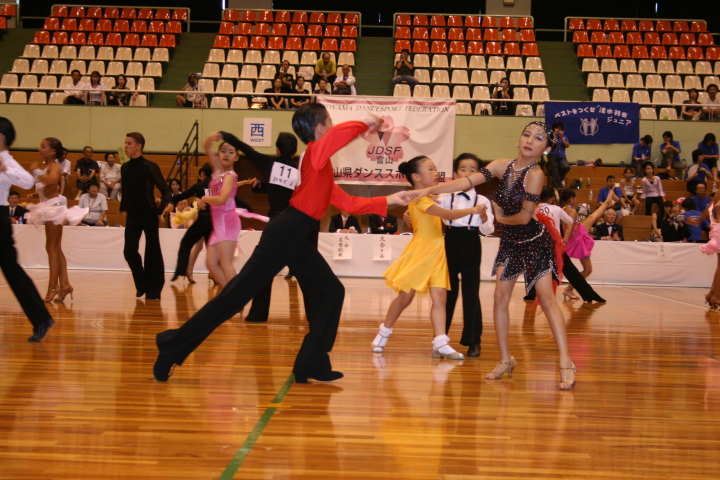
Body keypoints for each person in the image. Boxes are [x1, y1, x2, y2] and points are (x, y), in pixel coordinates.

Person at [153, 103, 412, 383]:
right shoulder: (314, 153)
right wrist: (365, 122)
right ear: (320, 129)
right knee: (235, 296)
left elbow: (348, 202)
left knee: (331, 292)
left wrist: (390, 199)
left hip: (297, 233)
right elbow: (338, 137)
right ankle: (171, 346)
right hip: (287, 230)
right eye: (329, 121)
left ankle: (311, 363)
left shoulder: (320, 167)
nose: (333, 126)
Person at [412, 121, 577, 390]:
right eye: (526, 134)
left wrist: (498, 217)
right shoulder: (502, 165)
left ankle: (566, 363)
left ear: (546, 148)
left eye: (538, 138)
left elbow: (524, 218)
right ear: (519, 139)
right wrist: (430, 189)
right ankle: (505, 360)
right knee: (500, 298)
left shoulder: (536, 174)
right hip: (510, 243)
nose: (530, 140)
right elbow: (466, 181)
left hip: (534, 242)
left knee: (547, 300)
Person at [371, 156, 487, 360]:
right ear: (416, 177)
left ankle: (441, 342)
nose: (436, 173)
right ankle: (383, 332)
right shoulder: (421, 199)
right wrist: (473, 210)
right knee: (405, 298)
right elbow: (447, 215)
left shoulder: (431, 196)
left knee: (440, 298)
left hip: (437, 251)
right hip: (421, 251)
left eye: (435, 168)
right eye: (431, 169)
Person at [216, 131, 301, 323]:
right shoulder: (299, 172)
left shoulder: (270, 163)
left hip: (277, 222)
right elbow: (286, 191)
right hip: (295, 223)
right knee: (304, 272)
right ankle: (315, 314)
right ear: (294, 151)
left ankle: (258, 314)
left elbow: (246, 148)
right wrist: (262, 186)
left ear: (277, 149)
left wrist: (226, 136)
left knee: (262, 268)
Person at [0, 118, 55, 342]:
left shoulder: (7, 160)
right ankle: (41, 318)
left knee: (13, 271)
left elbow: (26, 181)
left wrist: (5, 169)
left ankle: (41, 318)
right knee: (12, 270)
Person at [437, 153, 494, 357]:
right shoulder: (444, 197)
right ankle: (441, 340)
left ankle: (473, 341)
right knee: (447, 291)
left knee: (471, 292)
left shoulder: (483, 200)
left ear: (479, 175)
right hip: (450, 240)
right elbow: (432, 215)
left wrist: (484, 217)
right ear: (454, 174)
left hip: (471, 241)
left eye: (473, 170)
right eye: (463, 169)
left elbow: (488, 230)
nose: (468, 173)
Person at [24, 137, 87, 303]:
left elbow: (52, 181)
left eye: (43, 146)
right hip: (48, 205)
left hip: (54, 208)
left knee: (51, 247)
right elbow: (48, 188)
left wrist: (36, 170)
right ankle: (65, 284)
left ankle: (53, 286)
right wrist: (35, 194)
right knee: (55, 248)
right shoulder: (45, 166)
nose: (40, 149)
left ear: (52, 151)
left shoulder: (54, 167)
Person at [526, 187, 606, 303]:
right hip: (555, 244)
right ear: (551, 198)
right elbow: (569, 222)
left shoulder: (534, 209)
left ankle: (531, 294)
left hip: (537, 243)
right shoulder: (557, 209)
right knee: (571, 271)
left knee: (534, 268)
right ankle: (589, 295)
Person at [198, 133, 255, 289]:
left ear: (236, 158)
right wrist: (210, 138)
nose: (226, 154)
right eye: (223, 151)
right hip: (218, 225)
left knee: (226, 264)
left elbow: (221, 200)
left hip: (227, 222)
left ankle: (237, 296)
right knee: (211, 263)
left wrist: (204, 198)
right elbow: (207, 148)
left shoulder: (230, 176)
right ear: (219, 154)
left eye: (231, 152)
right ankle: (229, 295)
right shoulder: (217, 170)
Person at [120, 132, 171, 300]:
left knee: (152, 251)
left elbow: (164, 188)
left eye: (129, 143)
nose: (125, 146)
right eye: (125, 143)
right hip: (133, 215)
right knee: (129, 251)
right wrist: (124, 208)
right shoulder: (125, 168)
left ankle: (154, 289)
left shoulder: (150, 166)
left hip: (149, 213)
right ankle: (142, 282)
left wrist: (167, 203)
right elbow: (126, 191)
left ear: (139, 146)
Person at [560, 188, 616, 300]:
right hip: (577, 238)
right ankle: (568, 289)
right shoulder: (571, 211)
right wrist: (565, 241)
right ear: (572, 198)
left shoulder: (563, 209)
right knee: (587, 270)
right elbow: (568, 227)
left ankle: (607, 202)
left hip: (578, 232)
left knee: (592, 217)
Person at [167, 163, 214, 283]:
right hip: (213, 220)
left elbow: (185, 194)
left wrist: (170, 201)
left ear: (202, 174)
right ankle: (212, 272)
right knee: (208, 247)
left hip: (203, 219)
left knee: (192, 244)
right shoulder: (217, 185)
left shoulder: (199, 185)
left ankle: (185, 270)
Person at [551, 121, 571, 186]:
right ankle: (556, 182)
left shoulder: (564, 137)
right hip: (553, 157)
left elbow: (567, 145)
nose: (558, 129)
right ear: (554, 129)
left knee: (566, 167)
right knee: (554, 169)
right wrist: (554, 136)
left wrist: (561, 138)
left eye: (560, 128)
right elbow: (551, 145)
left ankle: (560, 179)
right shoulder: (551, 136)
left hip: (561, 157)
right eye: (557, 128)